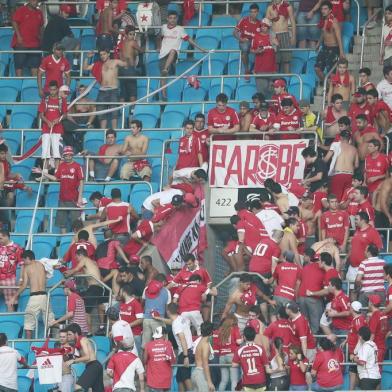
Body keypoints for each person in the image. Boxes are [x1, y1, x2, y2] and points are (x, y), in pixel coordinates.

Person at [36, 146, 83, 233]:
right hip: (62, 199)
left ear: (72, 155)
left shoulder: (77, 166)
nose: (68, 157)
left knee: (76, 224)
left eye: (70, 155)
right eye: (66, 155)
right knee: (62, 224)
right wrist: (42, 172)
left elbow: (81, 182)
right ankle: (63, 243)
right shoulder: (61, 166)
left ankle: (75, 242)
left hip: (74, 199)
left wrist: (80, 197)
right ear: (63, 156)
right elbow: (55, 178)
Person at [159, 11, 205, 99]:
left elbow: (189, 39)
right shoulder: (163, 27)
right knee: (163, 76)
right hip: (162, 54)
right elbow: (159, 37)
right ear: (167, 19)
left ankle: (166, 68)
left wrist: (200, 48)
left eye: (174, 18)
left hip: (174, 54)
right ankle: (164, 95)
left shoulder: (180, 29)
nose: (172, 20)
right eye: (171, 18)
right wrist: (158, 47)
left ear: (177, 19)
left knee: (172, 51)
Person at [10, 250, 54, 339]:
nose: (24, 262)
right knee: (50, 322)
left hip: (35, 297)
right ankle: (54, 341)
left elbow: (24, 285)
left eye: (24, 260)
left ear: (27, 258)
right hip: (45, 296)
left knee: (28, 325)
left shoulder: (27, 268)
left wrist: (14, 297)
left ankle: (27, 346)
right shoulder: (42, 265)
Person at [63, 248, 105, 334]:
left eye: (77, 258)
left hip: (94, 288)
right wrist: (68, 271)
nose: (77, 260)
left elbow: (76, 269)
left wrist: (68, 273)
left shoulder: (85, 259)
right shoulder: (92, 262)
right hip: (98, 288)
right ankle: (99, 326)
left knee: (86, 311)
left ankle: (88, 332)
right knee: (80, 299)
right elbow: (80, 273)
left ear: (80, 255)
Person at [154, 302, 194, 392]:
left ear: (168, 311)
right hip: (186, 350)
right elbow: (171, 321)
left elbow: (182, 339)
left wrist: (185, 356)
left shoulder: (176, 324)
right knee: (179, 378)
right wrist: (159, 318)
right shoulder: (180, 318)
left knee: (185, 377)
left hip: (186, 352)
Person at [83, 49, 127, 128]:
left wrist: (123, 54)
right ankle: (103, 133)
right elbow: (85, 68)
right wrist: (87, 57)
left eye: (104, 54)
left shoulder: (115, 62)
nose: (102, 56)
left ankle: (114, 131)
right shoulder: (98, 64)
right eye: (101, 55)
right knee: (101, 112)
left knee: (114, 112)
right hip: (102, 90)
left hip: (113, 89)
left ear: (108, 54)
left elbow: (126, 64)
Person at [37, 80, 68, 172]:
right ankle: (45, 172)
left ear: (57, 89)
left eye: (54, 90)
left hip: (57, 129)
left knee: (56, 151)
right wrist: (48, 122)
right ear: (49, 90)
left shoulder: (61, 100)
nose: (52, 92)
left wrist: (58, 120)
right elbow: (41, 115)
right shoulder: (45, 100)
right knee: (45, 151)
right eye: (51, 90)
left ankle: (57, 172)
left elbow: (65, 114)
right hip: (46, 129)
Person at [65, 323, 104, 392]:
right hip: (93, 366)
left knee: (78, 387)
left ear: (76, 333)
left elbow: (87, 357)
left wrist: (73, 360)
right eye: (67, 335)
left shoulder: (82, 340)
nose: (68, 336)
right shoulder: (76, 343)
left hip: (94, 365)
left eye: (70, 334)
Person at [347, 212, 383, 283]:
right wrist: (346, 258)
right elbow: (353, 247)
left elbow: (378, 248)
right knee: (352, 290)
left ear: (363, 220)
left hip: (364, 268)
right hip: (352, 267)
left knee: (363, 290)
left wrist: (368, 262)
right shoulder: (357, 230)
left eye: (356, 219)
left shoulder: (372, 232)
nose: (354, 221)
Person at [232, 326, 271, 391]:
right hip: (260, 381)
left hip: (247, 382)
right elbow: (267, 366)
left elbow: (234, 364)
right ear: (254, 336)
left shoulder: (240, 349)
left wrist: (242, 362)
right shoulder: (260, 348)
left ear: (244, 337)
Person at [324, 129, 359, 202]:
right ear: (349, 138)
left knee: (336, 199)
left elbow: (326, 159)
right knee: (345, 199)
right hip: (349, 176)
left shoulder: (335, 145)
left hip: (338, 175)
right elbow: (356, 165)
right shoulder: (354, 149)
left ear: (340, 137)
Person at [11, 0, 44, 77]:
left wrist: (41, 38)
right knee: (19, 65)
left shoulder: (39, 12)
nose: (35, 2)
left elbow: (41, 26)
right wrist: (19, 36)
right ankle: (18, 84)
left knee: (35, 66)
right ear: (29, 1)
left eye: (36, 1)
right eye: (33, 0)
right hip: (21, 44)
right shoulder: (21, 10)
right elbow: (14, 22)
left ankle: (33, 85)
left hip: (35, 44)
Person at [314, 1, 345, 83]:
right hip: (325, 47)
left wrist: (341, 52)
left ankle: (330, 87)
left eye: (325, 9)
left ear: (330, 10)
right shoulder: (323, 21)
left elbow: (339, 37)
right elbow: (323, 33)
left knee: (331, 73)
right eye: (322, 9)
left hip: (334, 48)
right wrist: (318, 44)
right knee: (317, 69)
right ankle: (326, 84)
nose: (323, 11)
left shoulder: (334, 21)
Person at [266, 0, 296, 74]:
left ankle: (286, 80)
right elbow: (265, 22)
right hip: (273, 35)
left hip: (284, 33)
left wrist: (293, 36)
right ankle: (276, 81)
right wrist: (272, 17)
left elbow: (293, 22)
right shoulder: (270, 7)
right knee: (274, 61)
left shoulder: (288, 6)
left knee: (286, 60)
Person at [142, 275, 171, 348]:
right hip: (158, 320)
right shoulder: (166, 291)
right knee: (161, 344)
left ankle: (144, 359)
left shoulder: (146, 289)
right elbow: (167, 309)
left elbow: (142, 302)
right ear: (163, 282)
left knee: (145, 345)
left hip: (146, 319)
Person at [234, 3, 262, 78]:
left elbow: (262, 36)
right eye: (251, 12)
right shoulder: (244, 20)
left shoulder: (260, 23)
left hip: (254, 42)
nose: (253, 14)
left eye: (255, 12)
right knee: (245, 47)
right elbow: (234, 32)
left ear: (258, 12)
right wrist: (241, 39)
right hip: (244, 41)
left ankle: (257, 70)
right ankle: (247, 70)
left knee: (262, 48)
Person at [143, 326, 176, 392]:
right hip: (166, 379)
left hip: (153, 380)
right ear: (164, 335)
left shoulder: (148, 345)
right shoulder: (168, 344)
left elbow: (144, 360)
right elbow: (172, 360)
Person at [251, 18, 279, 92]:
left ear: (268, 27)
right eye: (262, 26)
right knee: (261, 93)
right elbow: (251, 50)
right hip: (260, 69)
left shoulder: (273, 36)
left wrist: (275, 43)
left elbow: (276, 49)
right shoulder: (256, 37)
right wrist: (257, 51)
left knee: (273, 93)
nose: (263, 27)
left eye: (265, 26)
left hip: (272, 69)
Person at [345, 301, 367, 390]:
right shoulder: (356, 319)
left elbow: (360, 337)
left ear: (352, 309)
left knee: (353, 373)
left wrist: (354, 353)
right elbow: (353, 334)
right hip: (355, 351)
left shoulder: (358, 320)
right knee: (354, 373)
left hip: (356, 352)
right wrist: (346, 340)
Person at [216, 314, 242, 391]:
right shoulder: (235, 328)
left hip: (222, 356)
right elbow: (238, 342)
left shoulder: (220, 330)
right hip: (232, 356)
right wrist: (243, 338)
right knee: (234, 380)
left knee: (224, 380)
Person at [119, 25, 143, 103]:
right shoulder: (133, 42)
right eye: (130, 34)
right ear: (126, 34)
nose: (132, 36)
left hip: (122, 69)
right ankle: (132, 112)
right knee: (132, 92)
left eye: (133, 34)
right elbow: (141, 51)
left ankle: (121, 112)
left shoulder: (122, 43)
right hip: (130, 69)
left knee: (123, 92)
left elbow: (121, 55)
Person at [0, 229, 23, 311]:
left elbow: (22, 264)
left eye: (0, 238)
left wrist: (21, 278)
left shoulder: (17, 248)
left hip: (9, 278)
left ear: (6, 236)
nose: (0, 241)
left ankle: (11, 322)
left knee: (10, 303)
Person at [352, 326, 381, 390]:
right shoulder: (374, 344)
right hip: (377, 376)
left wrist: (354, 359)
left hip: (368, 378)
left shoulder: (364, 347)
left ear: (360, 337)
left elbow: (362, 362)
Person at [118, 283, 143, 354]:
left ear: (124, 292)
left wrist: (128, 325)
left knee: (136, 355)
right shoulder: (122, 304)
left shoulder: (136, 303)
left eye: (120, 291)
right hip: (124, 335)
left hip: (135, 335)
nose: (119, 294)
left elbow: (141, 319)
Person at [192, 321, 215, 392]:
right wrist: (209, 382)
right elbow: (205, 363)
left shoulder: (199, 342)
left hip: (195, 373)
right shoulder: (205, 344)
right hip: (201, 374)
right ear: (211, 332)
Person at [368, 294, 388, 368]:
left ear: (371, 303)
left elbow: (372, 335)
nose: (368, 302)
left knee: (374, 372)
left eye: (369, 301)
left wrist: (367, 348)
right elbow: (388, 332)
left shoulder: (375, 316)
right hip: (382, 346)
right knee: (378, 371)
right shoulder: (383, 314)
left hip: (375, 348)